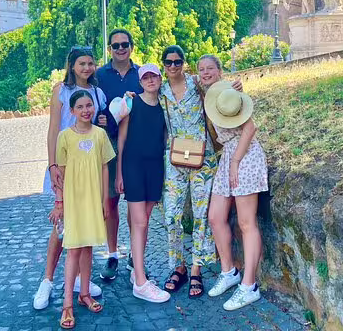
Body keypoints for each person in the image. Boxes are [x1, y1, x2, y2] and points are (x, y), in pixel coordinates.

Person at [33, 48, 108, 310]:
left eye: (90, 63)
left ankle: (78, 280)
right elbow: (54, 129)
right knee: (62, 228)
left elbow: (98, 126)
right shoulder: (60, 91)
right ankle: (48, 279)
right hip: (64, 164)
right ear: (72, 66)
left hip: (86, 169)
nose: (87, 68)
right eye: (81, 63)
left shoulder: (98, 93)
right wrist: (52, 164)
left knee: (83, 226)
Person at [198, 55, 268, 311]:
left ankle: (249, 287)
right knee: (216, 217)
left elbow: (250, 129)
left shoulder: (230, 93)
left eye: (210, 69)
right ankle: (229, 272)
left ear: (220, 70)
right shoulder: (207, 93)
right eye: (201, 69)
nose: (205, 73)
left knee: (246, 222)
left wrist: (236, 162)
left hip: (244, 155)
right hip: (228, 156)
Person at [49, 90, 116, 329]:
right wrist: (60, 203)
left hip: (93, 199)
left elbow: (105, 169)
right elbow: (60, 174)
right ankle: (67, 303)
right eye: (81, 107)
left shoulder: (100, 135)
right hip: (74, 200)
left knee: (88, 247)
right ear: (72, 111)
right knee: (74, 250)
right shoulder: (65, 137)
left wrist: (104, 201)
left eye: (89, 105)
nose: (86, 110)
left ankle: (84, 293)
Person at [158, 45, 218, 298]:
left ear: (184, 63)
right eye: (168, 62)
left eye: (177, 61)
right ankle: (178, 266)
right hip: (175, 160)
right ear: (163, 64)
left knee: (200, 216)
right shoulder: (159, 90)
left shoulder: (197, 84)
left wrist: (237, 88)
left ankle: (196, 270)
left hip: (203, 157)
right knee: (171, 215)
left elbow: (220, 90)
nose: (173, 66)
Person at [115, 64, 170, 303]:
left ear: (160, 79)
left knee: (144, 223)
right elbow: (122, 139)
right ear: (140, 82)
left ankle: (138, 269)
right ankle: (140, 282)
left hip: (155, 167)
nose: (150, 81)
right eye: (145, 77)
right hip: (133, 166)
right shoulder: (131, 104)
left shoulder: (166, 106)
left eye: (153, 76)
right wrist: (119, 173)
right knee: (139, 222)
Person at [95, 29, 144, 281]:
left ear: (132, 47)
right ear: (110, 49)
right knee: (111, 201)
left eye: (125, 44)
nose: (121, 49)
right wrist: (98, 118)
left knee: (134, 201)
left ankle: (135, 255)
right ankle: (112, 254)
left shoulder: (141, 74)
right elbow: (88, 104)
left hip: (137, 143)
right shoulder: (100, 75)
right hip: (109, 143)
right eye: (116, 46)